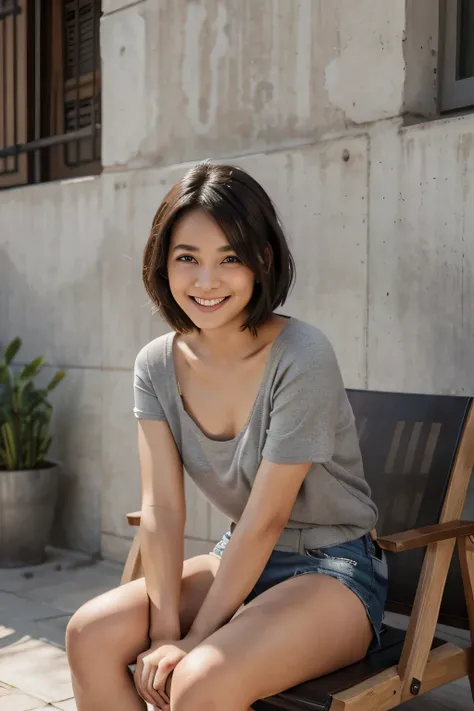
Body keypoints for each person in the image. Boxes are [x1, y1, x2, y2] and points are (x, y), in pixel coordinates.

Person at [66, 162, 388, 711]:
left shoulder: (301, 356)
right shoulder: (156, 365)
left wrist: (195, 642)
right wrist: (167, 631)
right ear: (162, 264)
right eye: (187, 258)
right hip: (236, 559)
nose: (206, 281)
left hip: (332, 570)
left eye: (229, 258)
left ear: (262, 261)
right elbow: (162, 508)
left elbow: (265, 520)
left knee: (199, 678)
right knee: (88, 634)